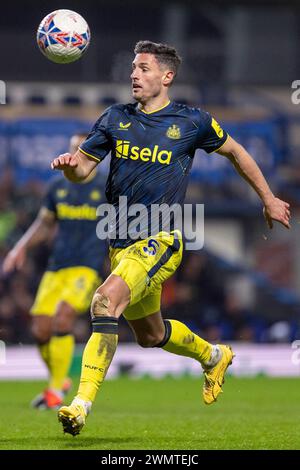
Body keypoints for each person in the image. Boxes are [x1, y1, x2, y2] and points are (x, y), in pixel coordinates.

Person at [50, 41, 291, 435]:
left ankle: (80, 404)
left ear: (166, 76)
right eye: (133, 68)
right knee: (150, 335)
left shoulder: (192, 121)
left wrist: (267, 198)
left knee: (103, 301)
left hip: (161, 238)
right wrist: (69, 165)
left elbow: (237, 152)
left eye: (143, 68)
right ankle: (214, 356)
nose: (134, 74)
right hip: (119, 242)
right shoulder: (114, 118)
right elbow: (83, 171)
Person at [3, 133, 107, 409]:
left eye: (82, 150)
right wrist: (19, 248)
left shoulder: (107, 187)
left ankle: (54, 392)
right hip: (57, 266)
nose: (77, 155)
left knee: (63, 318)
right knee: (40, 329)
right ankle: (59, 380)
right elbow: (45, 223)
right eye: (73, 149)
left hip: (87, 266)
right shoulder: (56, 187)